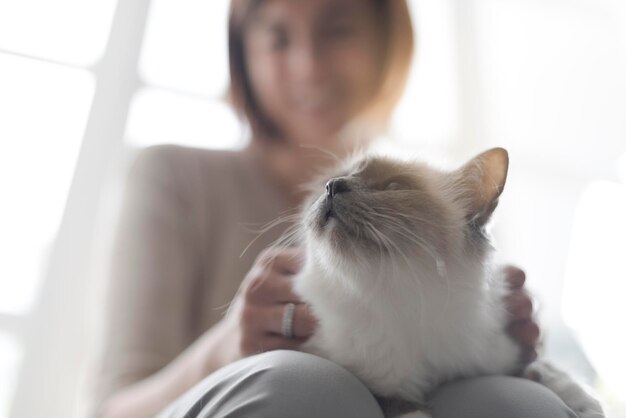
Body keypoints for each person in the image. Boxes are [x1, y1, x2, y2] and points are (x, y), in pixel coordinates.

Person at [94, 0, 572, 417]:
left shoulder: (430, 204)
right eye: (278, 38)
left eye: (337, 29)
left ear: (386, 44)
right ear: (244, 54)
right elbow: (112, 411)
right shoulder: (174, 176)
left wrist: (487, 329)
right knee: (308, 391)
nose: (309, 66)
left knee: (516, 406)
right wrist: (225, 346)